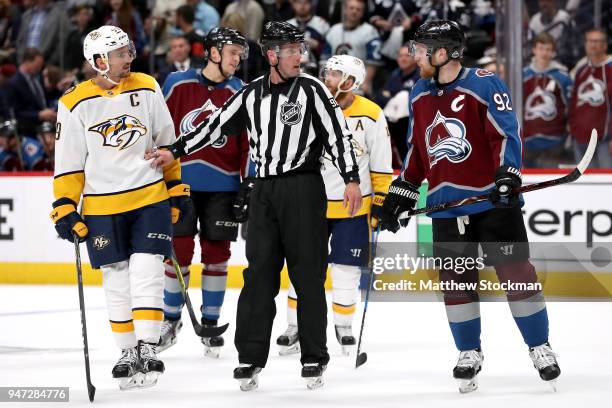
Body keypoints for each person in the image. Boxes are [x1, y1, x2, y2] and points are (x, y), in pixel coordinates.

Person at [146, 21, 362, 391]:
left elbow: (338, 135)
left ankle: (313, 356)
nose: (300, 56)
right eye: (292, 49)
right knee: (258, 275)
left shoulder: (312, 90)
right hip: (264, 192)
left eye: (300, 49)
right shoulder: (250, 94)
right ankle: (250, 356)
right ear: (272, 54)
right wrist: (174, 151)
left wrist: (352, 179)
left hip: (303, 188)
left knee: (307, 275)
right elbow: (212, 127)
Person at [374, 20, 561, 393]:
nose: (415, 54)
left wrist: (508, 172)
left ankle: (540, 346)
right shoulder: (418, 93)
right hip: (446, 208)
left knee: (517, 276)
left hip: (493, 201)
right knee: (456, 282)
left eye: (422, 48)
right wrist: (401, 191)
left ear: (442, 53)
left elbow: (506, 132)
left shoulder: (483, 83)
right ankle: (468, 352)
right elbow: (418, 153)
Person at [49, 25, 190, 390]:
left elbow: (166, 139)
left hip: (149, 197)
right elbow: (68, 163)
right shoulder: (73, 103)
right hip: (101, 206)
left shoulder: (147, 85)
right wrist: (65, 205)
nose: (130, 58)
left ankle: (147, 346)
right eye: (121, 54)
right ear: (99, 62)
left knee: (147, 269)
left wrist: (176, 186)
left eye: (128, 51)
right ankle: (127, 350)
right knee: (115, 275)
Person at [277, 54, 392, 356]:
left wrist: (380, 200)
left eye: (334, 74)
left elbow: (381, 163)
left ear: (351, 81)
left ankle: (344, 327)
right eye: (326, 73)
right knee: (302, 268)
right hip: (309, 204)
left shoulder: (371, 114)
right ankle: (295, 326)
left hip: (353, 208)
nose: (326, 78)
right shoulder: (307, 105)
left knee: (346, 270)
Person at [157, 27, 251, 359]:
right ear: (212, 52)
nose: (237, 59)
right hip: (180, 184)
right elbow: (160, 131)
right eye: (232, 52)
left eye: (240, 54)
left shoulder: (241, 91)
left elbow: (247, 146)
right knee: (178, 251)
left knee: (217, 254)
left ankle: (210, 323)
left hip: (224, 187)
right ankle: (170, 319)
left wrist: (248, 184)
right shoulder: (176, 83)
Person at [522, 32, 572, 168]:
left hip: (554, 143)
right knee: (527, 186)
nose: (544, 53)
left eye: (548, 49)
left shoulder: (563, 77)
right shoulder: (522, 76)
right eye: (541, 48)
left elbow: (571, 108)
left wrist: (568, 136)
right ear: (534, 50)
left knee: (551, 186)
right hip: (527, 142)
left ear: (553, 52)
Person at [568, 28, 612, 168]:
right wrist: (573, 129)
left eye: (597, 41)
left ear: (605, 45)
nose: (592, 45)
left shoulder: (610, 67)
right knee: (584, 185)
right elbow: (574, 102)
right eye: (590, 41)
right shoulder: (581, 69)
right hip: (581, 139)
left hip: (605, 141)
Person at [320, 0, 382, 96]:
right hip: (335, 84)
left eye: (358, 9)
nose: (354, 11)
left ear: (362, 13)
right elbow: (324, 60)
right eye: (351, 8)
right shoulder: (334, 30)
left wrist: (365, 83)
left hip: (357, 86)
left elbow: (373, 62)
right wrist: (323, 82)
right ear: (345, 10)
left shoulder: (369, 31)